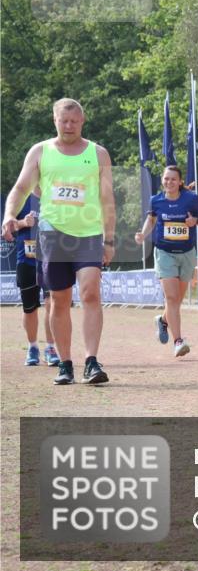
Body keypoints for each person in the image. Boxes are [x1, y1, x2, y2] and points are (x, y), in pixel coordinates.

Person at [2, 98, 114, 386]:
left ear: (82, 122)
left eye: (74, 121)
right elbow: (21, 187)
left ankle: (91, 361)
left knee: (91, 293)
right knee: (59, 300)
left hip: (88, 233)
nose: (69, 126)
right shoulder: (40, 152)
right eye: (64, 121)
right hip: (52, 236)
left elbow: (106, 199)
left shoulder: (98, 154)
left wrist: (109, 239)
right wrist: (9, 215)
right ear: (55, 120)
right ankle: (65, 364)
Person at [134, 165, 198, 357]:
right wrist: (143, 235)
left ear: (180, 181)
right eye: (166, 179)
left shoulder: (190, 199)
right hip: (164, 252)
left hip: (187, 253)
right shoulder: (156, 200)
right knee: (172, 298)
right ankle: (178, 341)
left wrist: (195, 222)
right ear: (163, 181)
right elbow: (151, 220)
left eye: (173, 179)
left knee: (177, 301)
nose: (169, 182)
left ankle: (163, 321)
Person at [12, 194, 59, 367]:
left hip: (51, 261)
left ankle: (51, 348)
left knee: (51, 303)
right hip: (26, 261)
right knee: (29, 308)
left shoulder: (54, 197)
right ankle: (32, 347)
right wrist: (24, 222)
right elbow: (8, 227)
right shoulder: (21, 198)